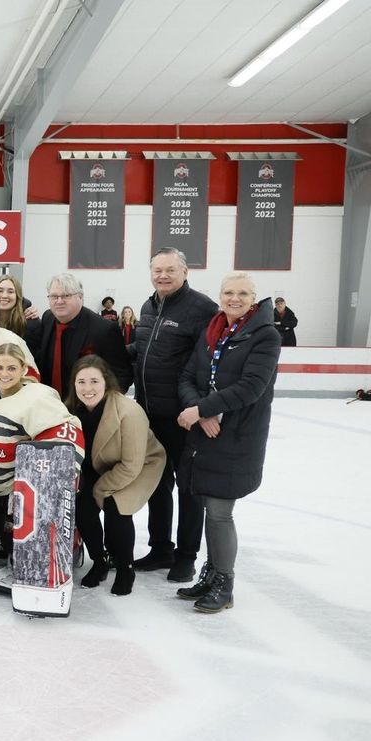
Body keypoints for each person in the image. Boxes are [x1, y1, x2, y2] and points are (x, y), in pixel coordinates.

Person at [176, 274, 280, 613]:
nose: (234, 298)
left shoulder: (265, 336)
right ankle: (211, 572)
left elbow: (252, 387)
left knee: (220, 512)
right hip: (206, 433)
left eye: (243, 293)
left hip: (237, 437)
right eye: (228, 292)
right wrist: (200, 412)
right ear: (220, 296)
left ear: (254, 298)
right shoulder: (214, 330)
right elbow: (188, 376)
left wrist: (204, 409)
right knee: (209, 506)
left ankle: (225, 582)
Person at [131, 248, 218, 581]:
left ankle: (186, 556)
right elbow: (143, 352)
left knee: (188, 488)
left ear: (185, 272)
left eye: (170, 270)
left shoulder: (202, 309)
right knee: (157, 483)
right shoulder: (148, 305)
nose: (162, 275)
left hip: (183, 417)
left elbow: (207, 365)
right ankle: (160, 548)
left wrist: (201, 408)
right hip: (149, 414)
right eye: (157, 270)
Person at [0, 344, 84, 565]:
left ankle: (73, 542)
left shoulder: (37, 397)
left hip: (19, 483)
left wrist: (58, 473)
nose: (4, 374)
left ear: (24, 370)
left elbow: (69, 429)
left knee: (22, 549)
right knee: (0, 546)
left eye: (12, 368)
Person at [64, 356, 165, 596]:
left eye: (94, 381)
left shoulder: (129, 412)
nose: (87, 388)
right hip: (101, 465)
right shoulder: (70, 407)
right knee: (82, 506)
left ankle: (124, 568)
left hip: (141, 464)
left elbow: (131, 464)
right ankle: (99, 562)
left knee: (115, 506)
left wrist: (99, 489)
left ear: (106, 383)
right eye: (81, 382)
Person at [37, 273, 133, 399]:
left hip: (86, 409)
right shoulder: (47, 319)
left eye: (66, 295)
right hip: (50, 406)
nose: (59, 301)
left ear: (80, 297)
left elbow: (122, 376)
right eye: (54, 296)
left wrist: (100, 405)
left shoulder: (104, 329)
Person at [0, 274, 41, 352]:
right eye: (0, 291)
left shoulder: (31, 323)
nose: (4, 295)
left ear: (18, 296)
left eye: (10, 292)